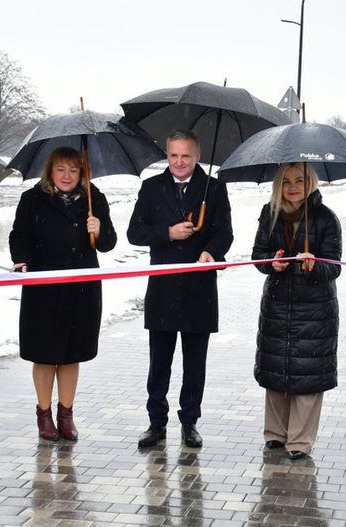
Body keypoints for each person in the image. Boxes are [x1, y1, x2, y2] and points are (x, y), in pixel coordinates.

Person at [126, 129, 234, 448]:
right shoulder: (151, 188)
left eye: (186, 155)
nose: (179, 162)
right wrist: (168, 233)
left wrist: (211, 251)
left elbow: (224, 233)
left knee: (194, 362)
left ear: (197, 155)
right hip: (162, 290)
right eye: (173, 155)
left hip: (199, 289)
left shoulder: (213, 189)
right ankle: (156, 422)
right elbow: (135, 233)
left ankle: (190, 422)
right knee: (159, 362)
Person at [9, 146, 117, 441]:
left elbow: (108, 243)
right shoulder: (32, 199)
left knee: (71, 354)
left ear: (82, 172)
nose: (67, 176)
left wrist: (100, 228)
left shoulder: (95, 199)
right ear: (50, 171)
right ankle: (44, 415)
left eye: (73, 170)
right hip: (43, 290)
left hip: (82, 290)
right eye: (61, 169)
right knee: (44, 354)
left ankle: (66, 414)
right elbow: (19, 236)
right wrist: (21, 260)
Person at [251, 163, 342, 460]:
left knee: (307, 376)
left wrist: (315, 266)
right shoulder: (270, 214)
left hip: (314, 310)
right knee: (277, 372)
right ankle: (275, 434)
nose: (293, 186)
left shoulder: (326, 218)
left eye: (300, 180)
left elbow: (335, 266)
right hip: (278, 305)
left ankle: (300, 441)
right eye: (287, 181)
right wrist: (271, 263)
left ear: (310, 182)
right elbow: (258, 255)